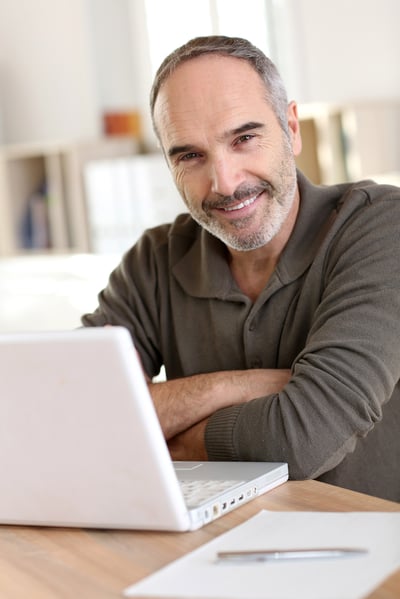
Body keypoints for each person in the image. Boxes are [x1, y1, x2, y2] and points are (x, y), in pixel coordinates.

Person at [82, 35, 400, 502]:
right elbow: (68, 417)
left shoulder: (380, 227)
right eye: (190, 155)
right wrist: (240, 385)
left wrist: (161, 438)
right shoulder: (154, 259)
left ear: (291, 128)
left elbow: (300, 439)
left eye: (244, 138)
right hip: (212, 551)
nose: (225, 183)